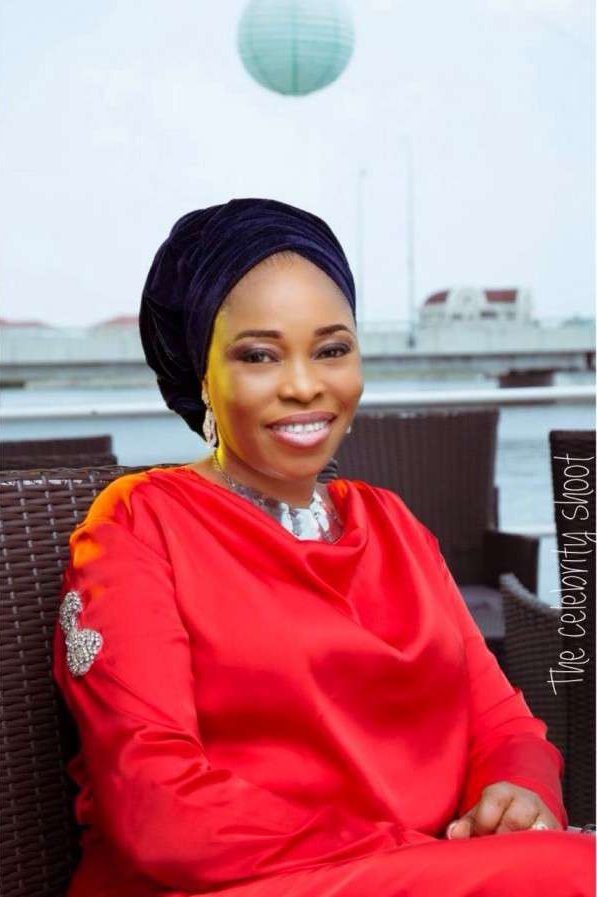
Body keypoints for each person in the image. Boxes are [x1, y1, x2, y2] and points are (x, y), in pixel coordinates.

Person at [52, 198, 595, 897]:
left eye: (332, 349)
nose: (305, 384)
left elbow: (500, 719)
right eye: (259, 355)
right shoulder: (138, 525)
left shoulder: (392, 523)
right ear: (199, 373)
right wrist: (427, 855)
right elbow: (155, 807)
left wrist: (517, 792)